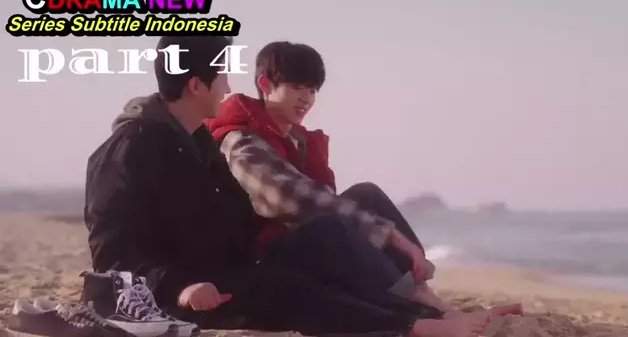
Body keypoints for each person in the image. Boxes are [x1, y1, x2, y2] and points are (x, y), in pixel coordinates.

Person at [83, 35, 488, 337]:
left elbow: (240, 220)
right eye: (221, 76)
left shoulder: (199, 145)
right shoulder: (130, 148)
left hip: (233, 265)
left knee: (315, 248)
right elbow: (113, 254)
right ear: (195, 85)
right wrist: (179, 288)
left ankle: (421, 309)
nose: (228, 86)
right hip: (189, 290)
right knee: (288, 288)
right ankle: (416, 324)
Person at [205, 41, 522, 317]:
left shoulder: (296, 141)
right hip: (260, 261)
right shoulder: (242, 141)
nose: (307, 99)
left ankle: (424, 295)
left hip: (302, 249)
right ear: (265, 84)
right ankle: (419, 305)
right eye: (297, 87)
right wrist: (388, 234)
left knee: (366, 194)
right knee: (326, 226)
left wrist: (384, 233)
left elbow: (324, 200)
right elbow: (292, 198)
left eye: (313, 90)